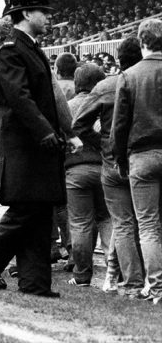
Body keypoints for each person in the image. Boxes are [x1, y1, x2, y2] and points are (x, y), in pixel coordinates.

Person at [0, 0, 81, 298]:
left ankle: (34, 283)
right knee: (26, 210)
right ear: (26, 12)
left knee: (39, 212)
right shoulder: (11, 53)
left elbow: (46, 101)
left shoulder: (31, 50)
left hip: (38, 147)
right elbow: (20, 99)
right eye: (42, 11)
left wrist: (61, 134)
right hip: (26, 148)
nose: (48, 16)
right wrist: (48, 132)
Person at [72, 36, 145, 297]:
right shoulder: (150, 80)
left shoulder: (106, 86)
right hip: (145, 155)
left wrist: (104, 144)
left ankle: (131, 281)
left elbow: (78, 125)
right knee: (149, 223)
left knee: (122, 224)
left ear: (118, 59)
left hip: (113, 161)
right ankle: (147, 279)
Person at [111, 18, 162, 305]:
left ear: (142, 41)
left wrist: (119, 158)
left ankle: (156, 288)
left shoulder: (129, 76)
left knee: (149, 225)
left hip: (141, 156)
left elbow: (120, 125)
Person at [63, 64, 116, 288]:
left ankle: (82, 275)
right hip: (104, 168)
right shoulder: (104, 103)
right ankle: (115, 270)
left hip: (75, 171)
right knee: (108, 220)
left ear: (77, 83)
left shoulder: (66, 107)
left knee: (80, 223)